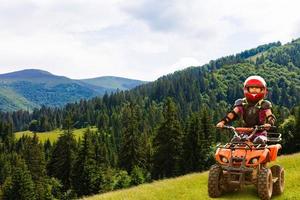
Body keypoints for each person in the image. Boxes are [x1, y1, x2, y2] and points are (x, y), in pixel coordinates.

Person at [216, 75, 276, 144]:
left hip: (260, 132)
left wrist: (269, 124)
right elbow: (232, 114)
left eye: (257, 88)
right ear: (247, 89)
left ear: (263, 89)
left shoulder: (264, 104)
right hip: (244, 133)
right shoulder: (241, 103)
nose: (254, 89)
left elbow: (270, 116)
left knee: (259, 141)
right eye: (252, 87)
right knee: (235, 141)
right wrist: (222, 122)